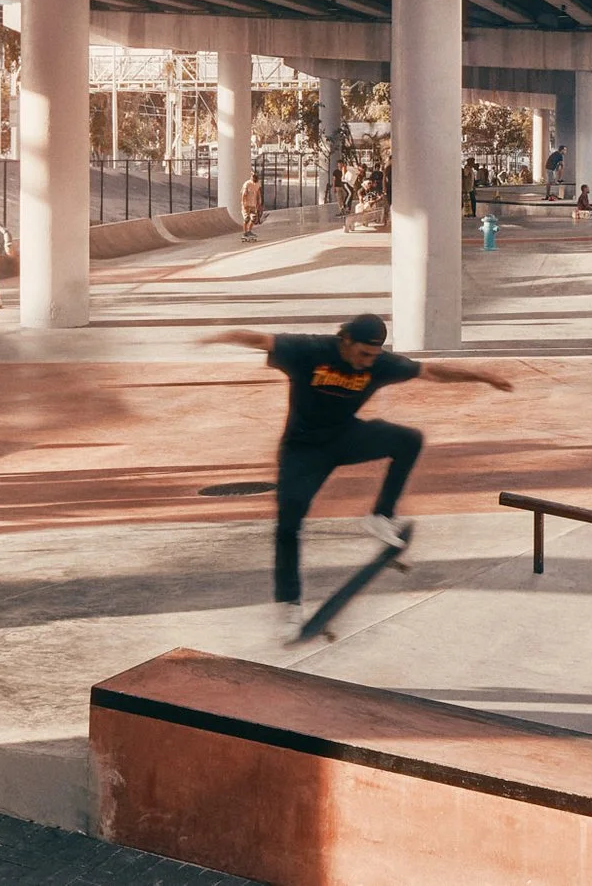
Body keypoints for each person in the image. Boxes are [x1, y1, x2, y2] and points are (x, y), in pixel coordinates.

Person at [208, 314, 512, 626]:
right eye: (363, 354)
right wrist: (216, 336)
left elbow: (432, 371)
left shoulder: (380, 364)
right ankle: (289, 603)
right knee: (288, 526)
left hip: (345, 437)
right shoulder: (309, 349)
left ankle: (381, 515)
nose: (368, 363)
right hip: (301, 451)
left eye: (374, 356)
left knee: (408, 440)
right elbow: (261, 340)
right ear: (346, 340)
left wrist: (482, 375)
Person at [239, 171, 264, 242]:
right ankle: (245, 233)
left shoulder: (258, 184)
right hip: (246, 205)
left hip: (253, 204)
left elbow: (258, 192)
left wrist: (259, 202)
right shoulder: (247, 184)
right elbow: (243, 195)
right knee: (246, 219)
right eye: (254, 178)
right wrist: (244, 204)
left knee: (253, 219)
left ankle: (249, 231)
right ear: (252, 177)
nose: (255, 180)